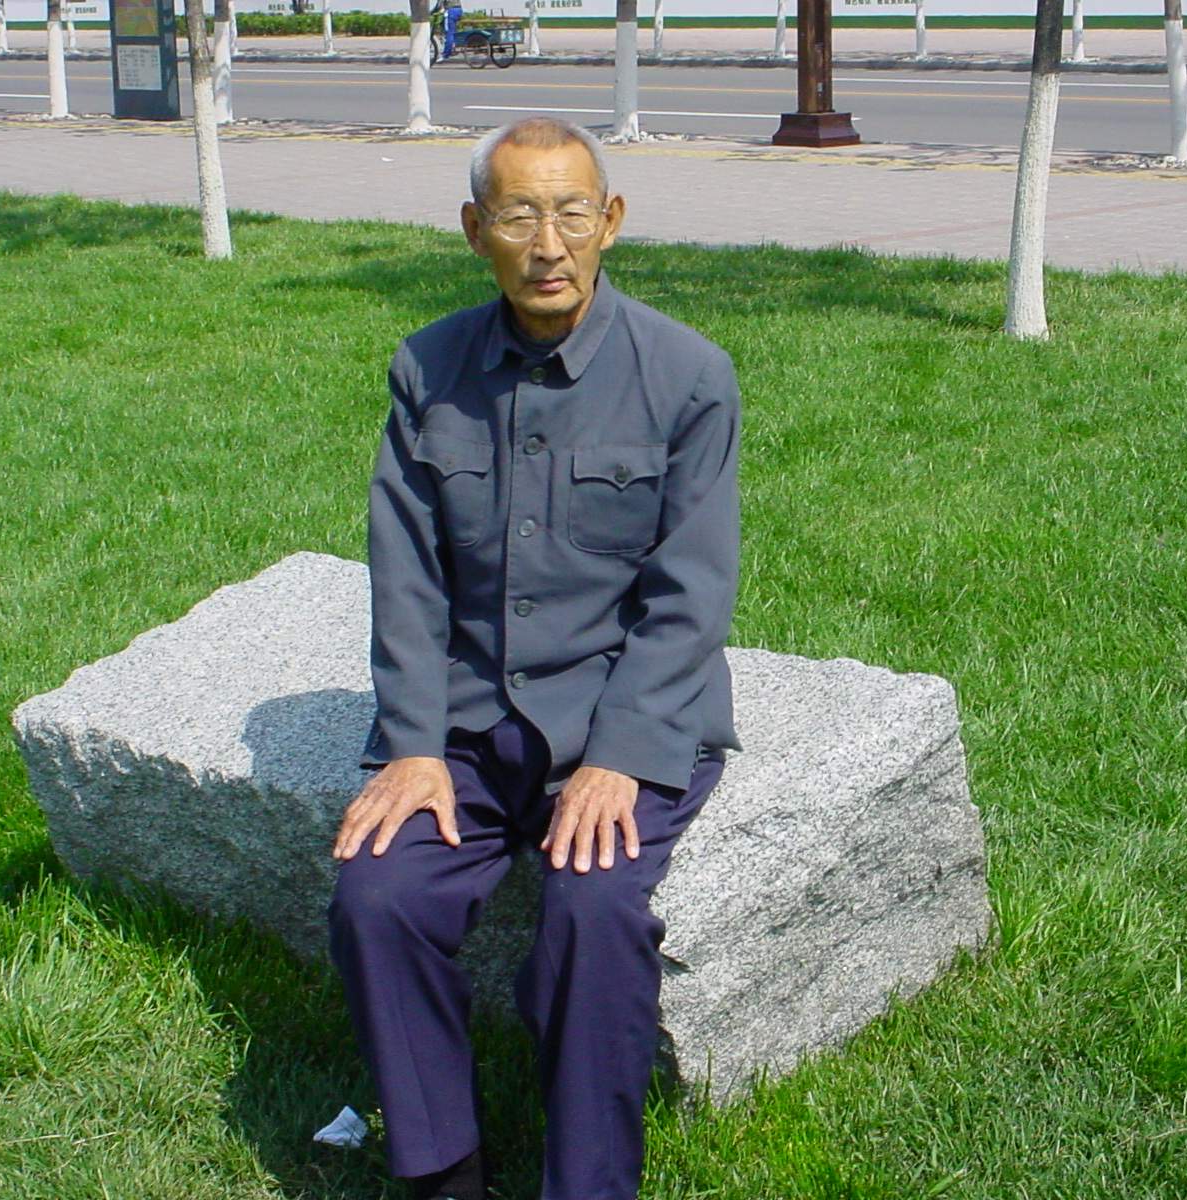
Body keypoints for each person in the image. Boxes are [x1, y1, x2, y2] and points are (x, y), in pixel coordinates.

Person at [328, 117, 742, 1200]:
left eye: (571, 213)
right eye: (518, 216)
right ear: (476, 231)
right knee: (377, 897)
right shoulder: (427, 368)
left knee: (592, 916)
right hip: (468, 721)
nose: (547, 244)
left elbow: (689, 595)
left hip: (620, 714)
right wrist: (413, 745)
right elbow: (406, 572)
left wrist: (620, 756)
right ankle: (443, 1171)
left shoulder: (688, 376)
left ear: (612, 222)